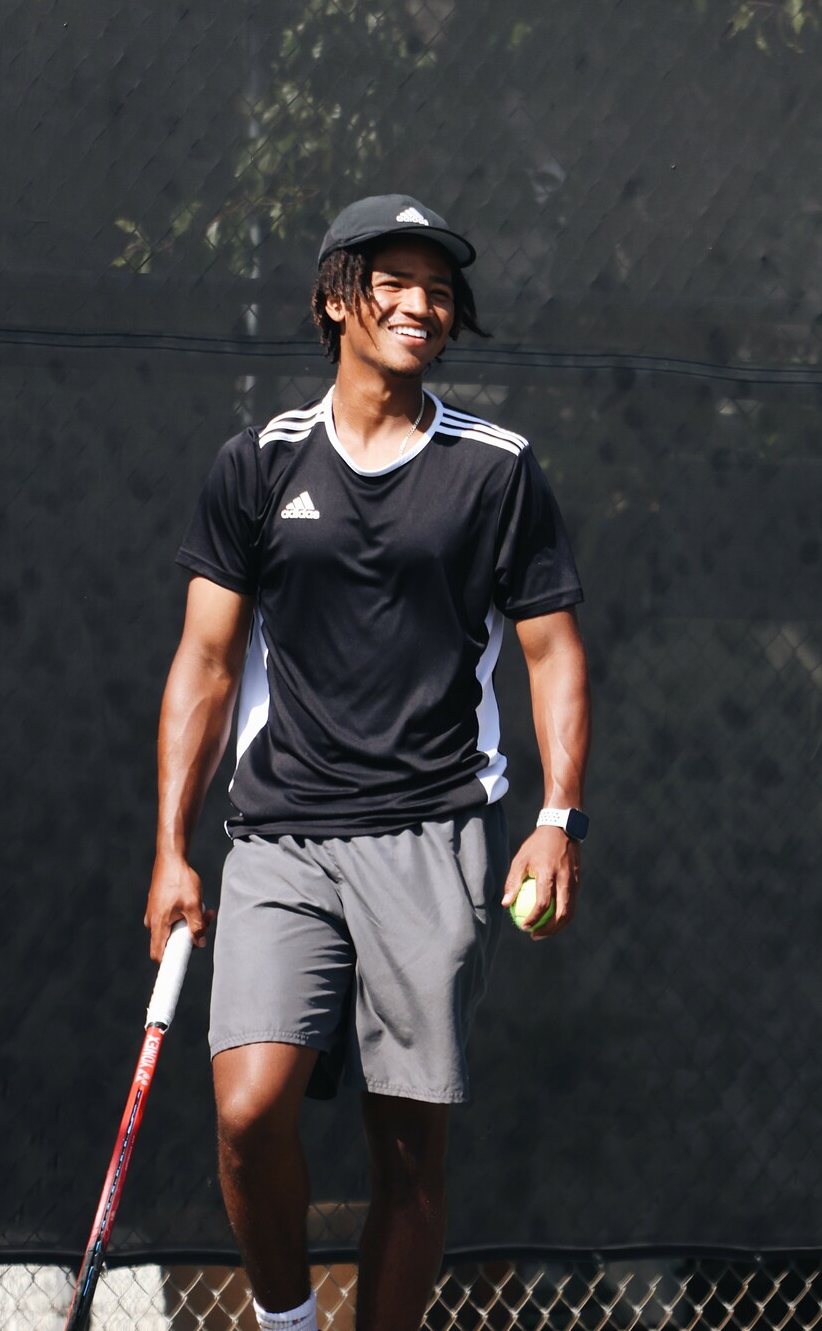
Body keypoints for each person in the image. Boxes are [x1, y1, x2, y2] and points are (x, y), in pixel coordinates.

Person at [143, 194, 591, 1331]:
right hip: (278, 837)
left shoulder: (496, 472)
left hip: (432, 834)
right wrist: (169, 851)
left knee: (409, 1151)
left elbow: (553, 657)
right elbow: (202, 662)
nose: (420, 302)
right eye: (394, 278)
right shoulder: (257, 464)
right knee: (247, 1112)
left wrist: (557, 817)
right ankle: (288, 1322)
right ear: (336, 297)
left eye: (438, 286)